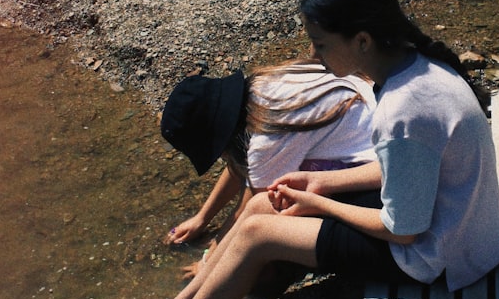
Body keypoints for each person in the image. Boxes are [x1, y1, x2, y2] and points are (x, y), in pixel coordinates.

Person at [106, 0, 499, 299]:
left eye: (321, 44)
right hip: (462, 230)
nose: (317, 56)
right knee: (264, 202)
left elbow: (404, 231)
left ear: (362, 41)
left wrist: (320, 204)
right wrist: (323, 182)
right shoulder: (418, 66)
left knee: (257, 234)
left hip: (440, 258)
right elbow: (403, 171)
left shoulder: (401, 111)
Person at [161, 58, 377, 262]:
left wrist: (210, 258)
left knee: (275, 206)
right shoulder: (262, 86)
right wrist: (202, 218)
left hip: (376, 172)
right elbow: (240, 168)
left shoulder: (266, 141)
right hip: (375, 116)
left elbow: (249, 211)